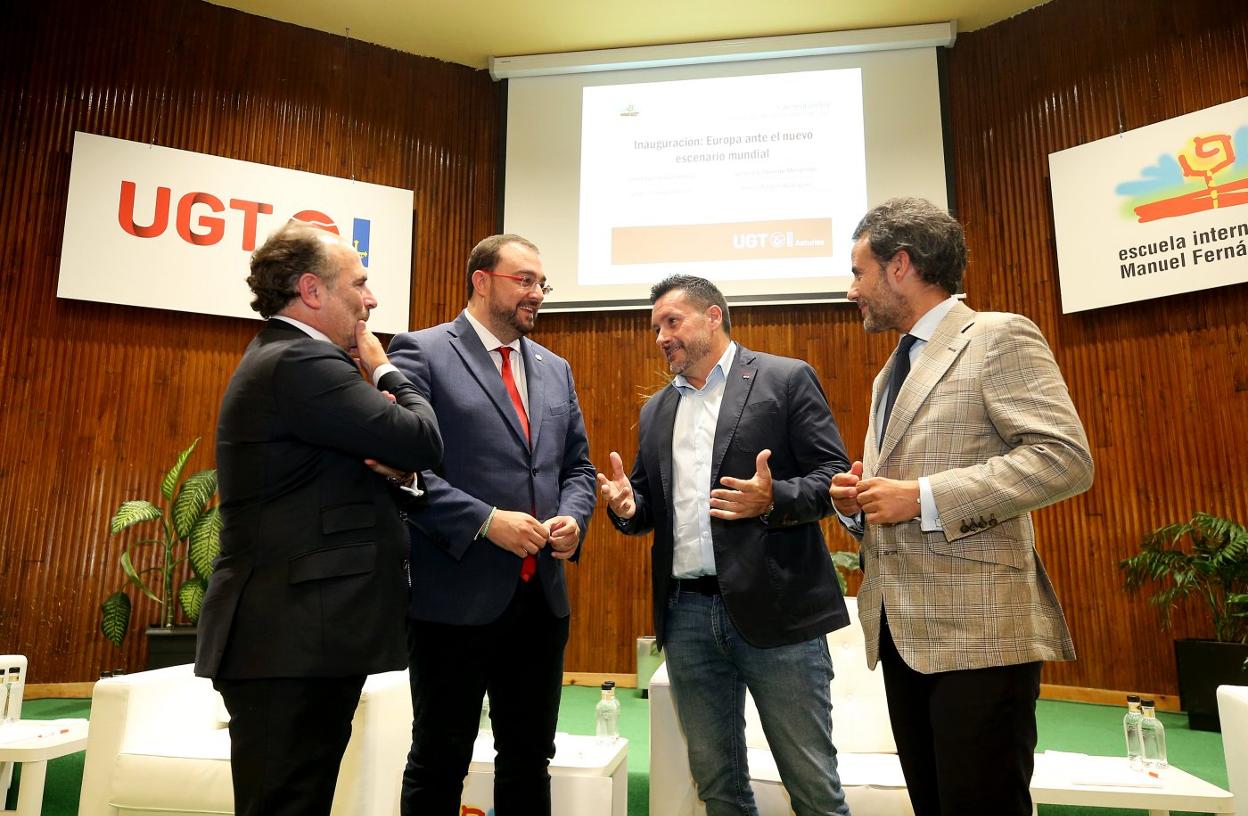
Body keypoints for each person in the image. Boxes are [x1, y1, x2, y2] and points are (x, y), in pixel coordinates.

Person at [829, 197, 1094, 816]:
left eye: (858, 272)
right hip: (903, 633)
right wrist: (858, 502)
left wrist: (920, 498)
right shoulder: (889, 371)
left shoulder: (998, 336)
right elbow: (891, 499)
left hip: (980, 636)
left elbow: (1065, 459)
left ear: (901, 266)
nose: (851, 291)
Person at [194, 220, 443, 816]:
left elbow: (371, 468)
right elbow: (422, 438)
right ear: (312, 291)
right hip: (289, 638)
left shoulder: (289, 358)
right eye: (359, 283)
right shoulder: (302, 360)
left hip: (300, 637)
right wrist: (384, 369)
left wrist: (399, 472)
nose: (371, 299)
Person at [597, 274, 853, 816]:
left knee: (812, 786)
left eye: (673, 321)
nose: (662, 336)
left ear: (714, 316)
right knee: (718, 788)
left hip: (778, 612)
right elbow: (649, 504)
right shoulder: (657, 410)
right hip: (687, 617)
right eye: (655, 327)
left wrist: (773, 497)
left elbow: (833, 476)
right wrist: (628, 507)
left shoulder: (784, 379)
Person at [387, 234, 596, 815]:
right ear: (481, 280)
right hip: (453, 599)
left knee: (530, 758)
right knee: (439, 758)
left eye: (541, 284)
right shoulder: (421, 352)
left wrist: (573, 520)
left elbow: (576, 467)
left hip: (540, 602)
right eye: (524, 280)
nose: (537, 294)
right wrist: (485, 522)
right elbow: (403, 471)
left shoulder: (556, 369)